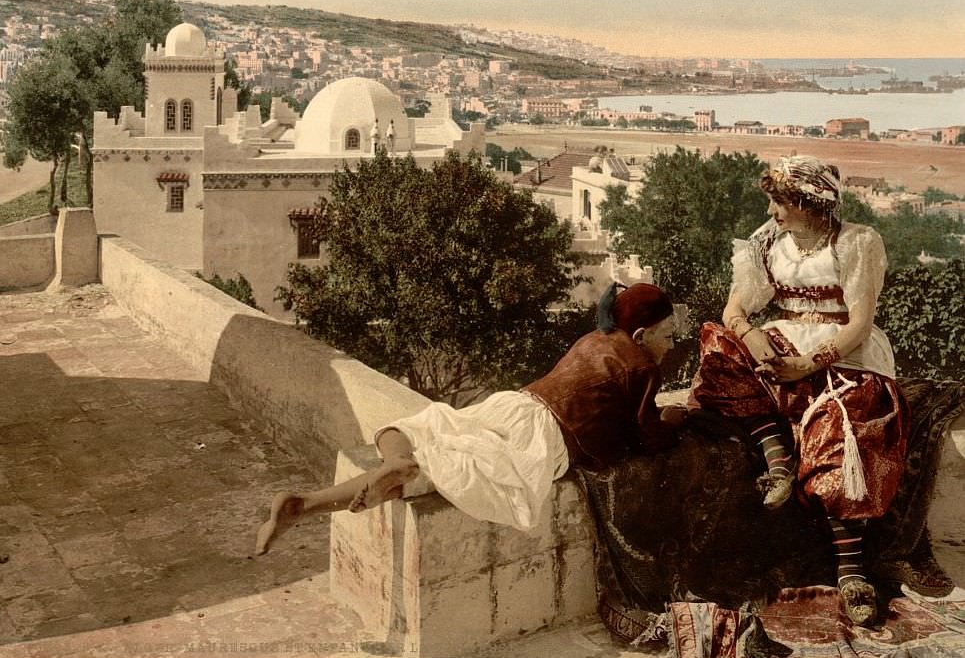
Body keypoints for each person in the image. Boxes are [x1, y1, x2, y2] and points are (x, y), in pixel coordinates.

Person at [256, 282, 684, 554]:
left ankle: (307, 503)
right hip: (547, 436)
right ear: (642, 334)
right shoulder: (641, 365)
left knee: (425, 427)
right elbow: (647, 438)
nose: (672, 344)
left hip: (516, 405)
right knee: (455, 470)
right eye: (668, 335)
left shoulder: (595, 338)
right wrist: (674, 420)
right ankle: (398, 470)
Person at [688, 155, 908, 627]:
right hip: (782, 341)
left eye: (780, 202)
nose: (771, 211)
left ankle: (851, 572)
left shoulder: (857, 242)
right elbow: (733, 311)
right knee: (718, 351)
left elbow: (859, 324)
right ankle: (779, 465)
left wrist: (806, 366)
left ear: (811, 203)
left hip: (843, 352)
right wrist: (752, 337)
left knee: (844, 431)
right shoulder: (766, 241)